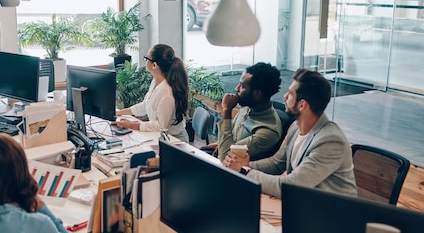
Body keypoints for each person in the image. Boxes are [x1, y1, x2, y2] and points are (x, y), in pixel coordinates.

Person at [223, 68, 357, 199]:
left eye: (290, 94)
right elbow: (276, 163)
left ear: (302, 105)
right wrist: (245, 164)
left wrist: (245, 171)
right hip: (305, 206)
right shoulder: (295, 127)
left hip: (332, 215)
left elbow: (291, 186)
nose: (285, 96)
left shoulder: (330, 141)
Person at [203, 62, 283, 161]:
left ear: (257, 93)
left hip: (237, 172)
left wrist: (226, 110)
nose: (236, 88)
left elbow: (225, 157)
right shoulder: (248, 106)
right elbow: (232, 137)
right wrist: (219, 144)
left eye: (241, 86)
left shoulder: (267, 132)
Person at [115, 44, 190, 142]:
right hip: (162, 136)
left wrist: (133, 125)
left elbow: (161, 126)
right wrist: (119, 113)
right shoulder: (155, 82)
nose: (145, 60)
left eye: (146, 58)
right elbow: (145, 105)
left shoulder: (166, 93)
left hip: (174, 140)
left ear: (154, 65)